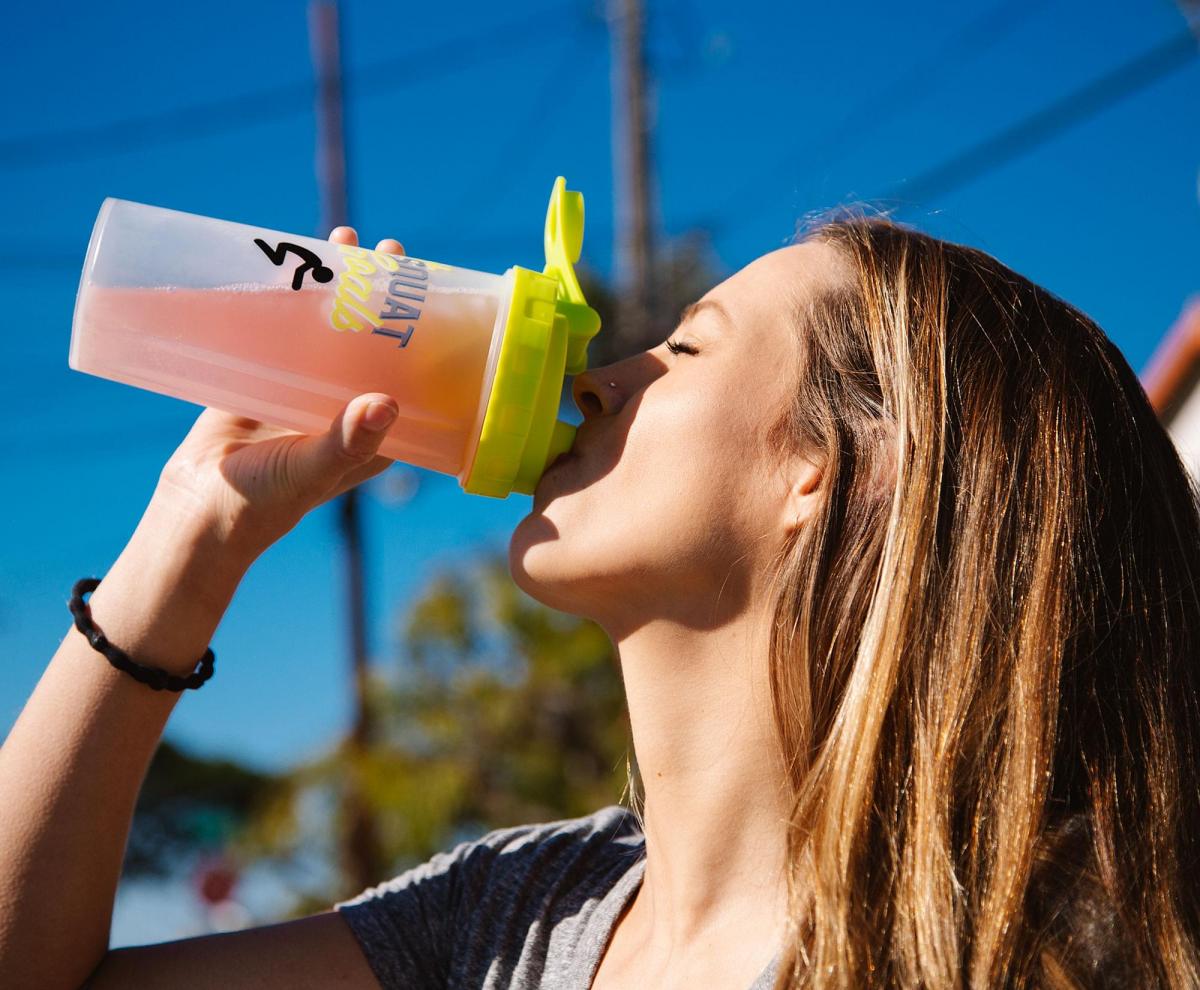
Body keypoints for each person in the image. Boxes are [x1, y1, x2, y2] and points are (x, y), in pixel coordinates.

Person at [2, 212, 1199, 990]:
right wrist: (187, 542)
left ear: (840, 469)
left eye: (687, 349)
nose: (600, 379)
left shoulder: (1050, 952)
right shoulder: (509, 920)